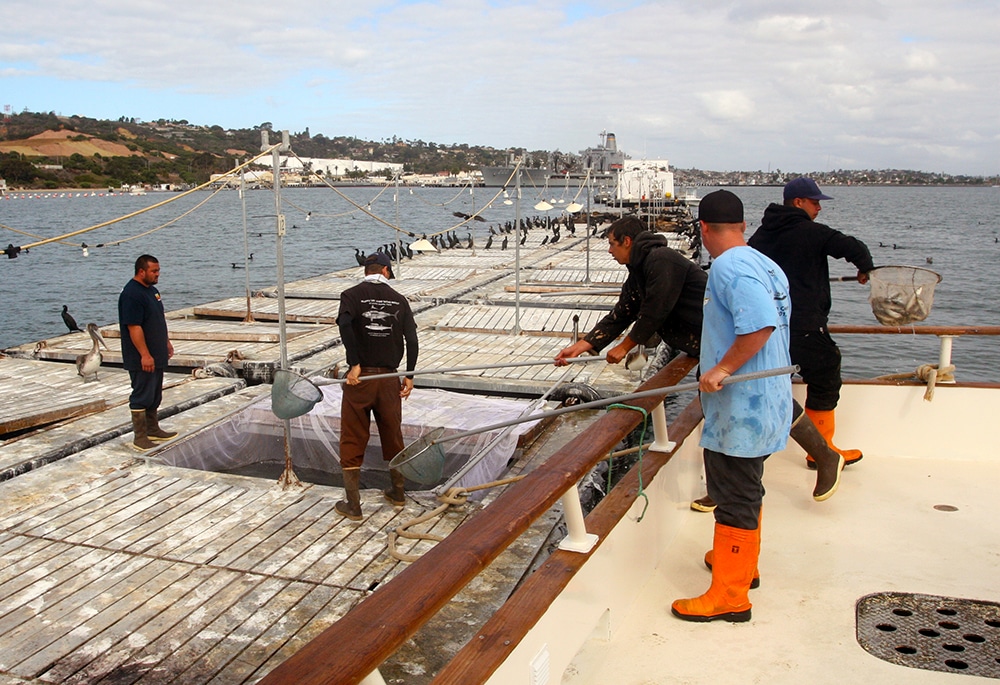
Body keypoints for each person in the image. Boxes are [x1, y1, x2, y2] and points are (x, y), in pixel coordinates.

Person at [671, 189, 793, 623]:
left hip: (743, 405)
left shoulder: (728, 266)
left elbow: (758, 324)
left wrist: (720, 368)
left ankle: (730, 595)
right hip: (771, 400)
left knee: (734, 493)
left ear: (703, 229)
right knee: (747, 488)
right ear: (743, 225)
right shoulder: (765, 263)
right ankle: (743, 565)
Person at [748, 177, 875, 468]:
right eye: (815, 202)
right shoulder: (811, 232)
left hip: (768, 327)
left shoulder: (760, 237)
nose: (819, 208)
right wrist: (865, 268)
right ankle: (822, 451)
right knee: (826, 373)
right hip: (805, 324)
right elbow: (852, 247)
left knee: (772, 382)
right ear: (798, 203)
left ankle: (754, 452)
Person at [554, 215, 705, 366]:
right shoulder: (640, 268)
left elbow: (655, 310)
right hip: (705, 346)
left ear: (626, 241)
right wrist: (580, 347)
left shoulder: (661, 259)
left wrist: (624, 347)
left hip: (718, 342)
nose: (609, 250)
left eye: (612, 244)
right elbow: (622, 314)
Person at [335, 251, 419, 520]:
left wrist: (354, 362)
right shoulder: (399, 299)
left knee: (352, 436)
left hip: (359, 379)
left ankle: (354, 505)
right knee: (393, 434)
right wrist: (410, 376)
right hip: (388, 378)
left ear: (366, 271)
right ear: (385, 270)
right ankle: (398, 493)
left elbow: (345, 325)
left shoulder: (350, 295)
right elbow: (412, 340)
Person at [119, 254, 177, 451]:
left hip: (157, 353)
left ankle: (153, 429)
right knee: (142, 394)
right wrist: (145, 354)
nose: (157, 274)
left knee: (154, 394)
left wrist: (166, 342)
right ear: (141, 271)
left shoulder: (152, 291)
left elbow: (158, 319)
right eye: (153, 271)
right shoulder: (131, 294)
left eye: (158, 270)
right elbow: (134, 327)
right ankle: (140, 437)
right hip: (141, 357)